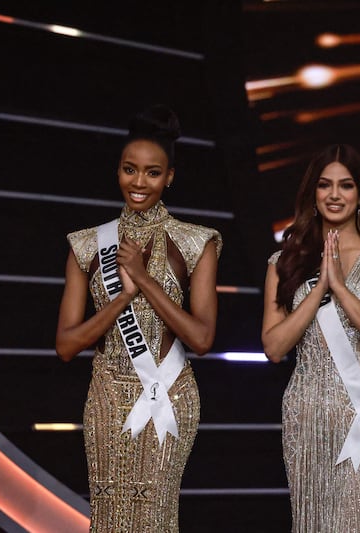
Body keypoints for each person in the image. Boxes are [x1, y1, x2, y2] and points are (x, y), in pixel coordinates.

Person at [55, 105, 221, 532]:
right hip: (107, 397)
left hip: (170, 392)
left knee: (156, 517)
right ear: (118, 172)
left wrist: (145, 281)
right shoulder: (87, 245)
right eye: (130, 170)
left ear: (169, 177)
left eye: (152, 172)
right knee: (110, 518)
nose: (139, 182)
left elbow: (202, 338)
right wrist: (119, 299)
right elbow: (66, 346)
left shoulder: (195, 242)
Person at [262, 144, 360, 532]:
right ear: (313, 193)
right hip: (304, 414)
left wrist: (341, 289)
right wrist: (318, 288)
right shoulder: (283, 263)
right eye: (325, 185)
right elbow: (274, 347)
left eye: (345, 185)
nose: (334, 194)